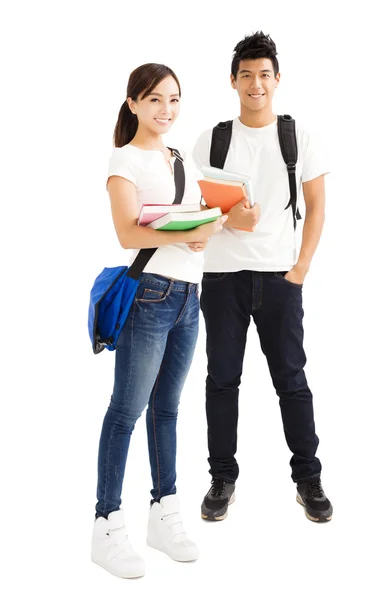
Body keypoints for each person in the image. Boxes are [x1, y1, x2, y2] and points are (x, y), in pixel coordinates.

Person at [91, 62, 227, 579]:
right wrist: (183, 236)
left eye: (173, 100)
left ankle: (163, 512)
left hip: (189, 294)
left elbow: (195, 220)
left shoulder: (179, 159)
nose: (166, 110)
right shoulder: (122, 160)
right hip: (149, 295)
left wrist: (212, 224)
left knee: (167, 410)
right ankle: (106, 523)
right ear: (133, 104)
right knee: (126, 412)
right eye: (154, 100)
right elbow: (128, 234)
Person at [192, 32, 333, 523]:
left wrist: (301, 269)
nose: (256, 84)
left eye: (264, 75)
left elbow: (317, 207)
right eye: (246, 75)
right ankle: (221, 478)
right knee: (222, 381)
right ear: (233, 81)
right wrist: (230, 221)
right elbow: (193, 213)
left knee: (292, 380)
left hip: (280, 278)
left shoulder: (298, 135)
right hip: (222, 278)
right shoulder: (213, 138)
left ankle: (308, 478)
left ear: (277, 80)